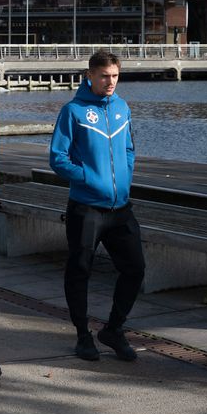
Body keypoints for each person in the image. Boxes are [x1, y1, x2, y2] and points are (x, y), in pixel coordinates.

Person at [49, 49, 146, 362]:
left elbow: (128, 149)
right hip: (86, 208)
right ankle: (82, 335)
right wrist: (89, 178)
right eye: (104, 76)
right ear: (89, 75)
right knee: (79, 271)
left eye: (115, 76)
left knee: (135, 268)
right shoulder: (73, 111)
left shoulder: (122, 107)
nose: (110, 82)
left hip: (120, 209)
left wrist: (125, 178)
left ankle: (113, 329)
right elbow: (58, 158)